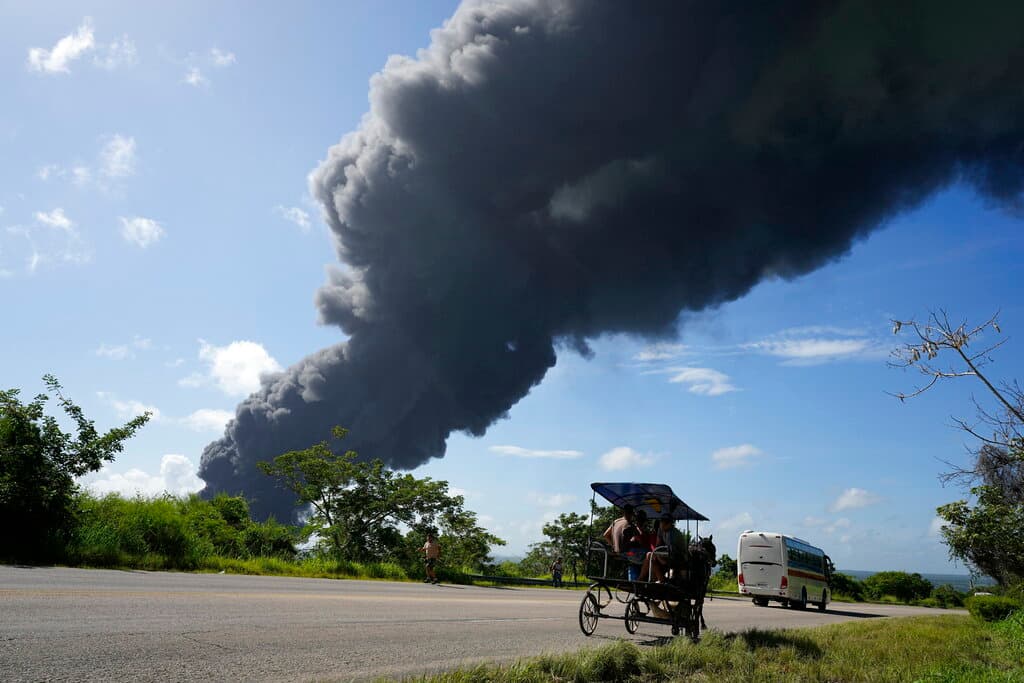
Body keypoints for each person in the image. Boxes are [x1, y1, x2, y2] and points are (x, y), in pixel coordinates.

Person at [645, 514, 688, 583]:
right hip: (668, 554)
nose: (661, 526)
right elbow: (658, 546)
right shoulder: (660, 530)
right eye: (661, 523)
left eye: (664, 524)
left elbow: (674, 552)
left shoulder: (675, 534)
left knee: (655, 557)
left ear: (670, 524)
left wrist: (660, 557)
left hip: (679, 556)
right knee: (649, 555)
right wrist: (657, 555)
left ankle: (662, 579)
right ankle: (656, 579)